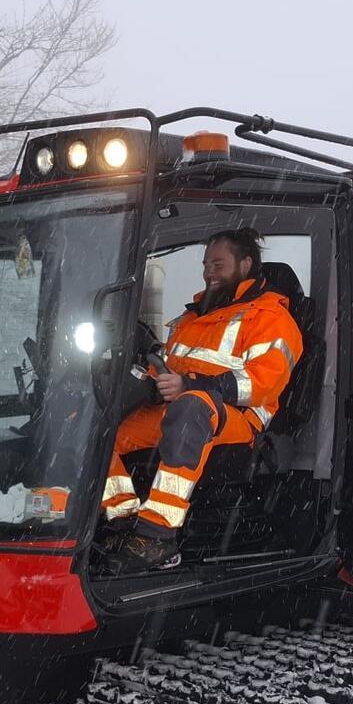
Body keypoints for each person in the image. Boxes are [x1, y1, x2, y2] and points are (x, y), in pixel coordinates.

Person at [102, 228, 303, 572]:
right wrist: (150, 381)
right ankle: (124, 521)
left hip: (238, 419)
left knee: (192, 407)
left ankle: (157, 538)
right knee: (100, 433)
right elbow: (170, 366)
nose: (209, 271)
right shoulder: (192, 317)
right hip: (180, 407)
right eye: (206, 264)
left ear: (245, 264)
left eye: (218, 264)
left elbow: (262, 384)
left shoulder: (271, 318)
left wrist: (192, 385)